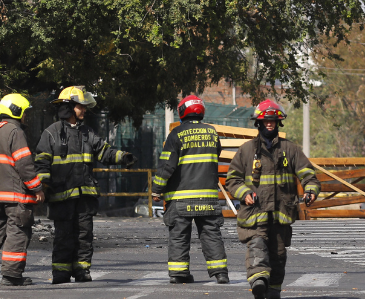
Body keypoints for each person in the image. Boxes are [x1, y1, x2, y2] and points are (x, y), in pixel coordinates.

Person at [34, 86, 137, 284]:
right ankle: (61, 273)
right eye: (81, 107)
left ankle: (82, 271)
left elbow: (104, 152)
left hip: (84, 197)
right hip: (61, 197)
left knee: (84, 236)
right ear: (70, 107)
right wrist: (43, 187)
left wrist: (123, 157)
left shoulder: (88, 133)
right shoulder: (51, 133)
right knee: (63, 237)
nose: (84, 111)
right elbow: (42, 163)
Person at [224, 99, 320, 299]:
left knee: (278, 257)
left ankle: (273, 290)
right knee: (257, 246)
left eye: (273, 121)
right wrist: (244, 193)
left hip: (281, 215)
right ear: (258, 123)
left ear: (278, 123)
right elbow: (232, 179)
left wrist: (311, 191)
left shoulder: (290, 149)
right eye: (266, 121)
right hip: (255, 214)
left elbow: (308, 175)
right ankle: (258, 283)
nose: (270, 124)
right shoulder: (246, 150)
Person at [152, 95, 229, 284]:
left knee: (179, 236)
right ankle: (220, 273)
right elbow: (217, 153)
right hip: (208, 199)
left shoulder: (176, 134)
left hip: (181, 198)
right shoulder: (212, 133)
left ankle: (179, 274)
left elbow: (167, 166)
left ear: (181, 112)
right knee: (211, 234)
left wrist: (157, 189)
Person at [0, 93, 45, 286]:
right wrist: (37, 188)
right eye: (24, 112)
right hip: (16, 197)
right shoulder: (16, 132)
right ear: (16, 110)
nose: (25, 116)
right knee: (17, 233)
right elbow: (25, 165)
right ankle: (11, 275)